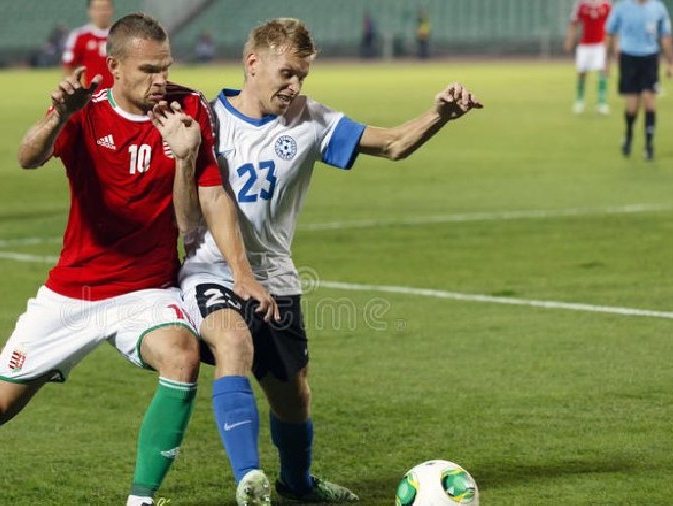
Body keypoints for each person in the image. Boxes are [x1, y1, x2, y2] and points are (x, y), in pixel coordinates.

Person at [0, 12, 274, 506]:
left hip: (147, 290)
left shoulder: (188, 108)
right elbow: (27, 157)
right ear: (114, 66)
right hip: (73, 292)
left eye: (165, 68)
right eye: (148, 70)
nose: (161, 81)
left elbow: (194, 216)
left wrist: (189, 163)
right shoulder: (87, 110)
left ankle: (140, 501)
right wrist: (57, 118)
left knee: (181, 355)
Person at [175, 18, 482, 504]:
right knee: (233, 343)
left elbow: (394, 144)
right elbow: (188, 217)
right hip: (212, 271)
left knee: (294, 396)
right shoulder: (207, 121)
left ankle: (296, 484)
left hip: (276, 279)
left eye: (302, 76)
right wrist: (185, 158)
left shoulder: (310, 120)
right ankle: (248, 480)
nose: (294, 85)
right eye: (287, 73)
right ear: (253, 63)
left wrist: (438, 114)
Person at [606, 0, 673, 161]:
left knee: (650, 100)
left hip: (650, 58)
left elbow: (665, 36)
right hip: (629, 57)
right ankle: (628, 135)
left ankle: (649, 145)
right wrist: (606, 61)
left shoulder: (658, 7)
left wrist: (671, 63)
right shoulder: (622, 7)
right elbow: (610, 33)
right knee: (632, 104)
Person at [564, 0, 612, 114]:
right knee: (582, 72)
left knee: (602, 72)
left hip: (600, 44)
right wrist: (570, 40)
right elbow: (573, 23)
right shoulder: (581, 4)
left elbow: (611, 26)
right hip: (584, 45)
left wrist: (610, 45)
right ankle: (580, 101)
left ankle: (602, 103)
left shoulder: (606, 5)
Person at [62, 0, 113, 88]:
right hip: (91, 98)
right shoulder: (79, 36)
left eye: (105, 8)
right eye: (98, 8)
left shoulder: (122, 35)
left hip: (117, 97)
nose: (102, 12)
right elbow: (68, 68)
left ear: (111, 10)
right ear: (90, 11)